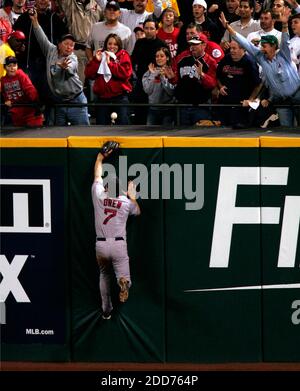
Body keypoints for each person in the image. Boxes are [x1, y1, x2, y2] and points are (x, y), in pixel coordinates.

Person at [220, 8, 300, 126]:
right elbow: (243, 42)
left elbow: (285, 40)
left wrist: (284, 24)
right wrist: (228, 27)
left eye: (265, 46)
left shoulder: (284, 55)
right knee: (285, 131)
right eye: (262, 46)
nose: (262, 49)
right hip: (280, 101)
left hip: (298, 96)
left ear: (273, 46)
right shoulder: (261, 58)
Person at [92, 143, 141, 320]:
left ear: (106, 188)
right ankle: (124, 282)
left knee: (104, 275)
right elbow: (138, 211)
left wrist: (100, 157)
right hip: (119, 244)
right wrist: (132, 196)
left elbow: (97, 175)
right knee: (124, 276)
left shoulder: (99, 195)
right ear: (119, 190)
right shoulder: (125, 202)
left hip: (101, 244)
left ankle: (106, 309)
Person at [29, 10, 90, 125]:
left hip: (76, 101)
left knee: (83, 134)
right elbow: (41, 38)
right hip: (59, 102)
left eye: (72, 45)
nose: (69, 47)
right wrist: (35, 21)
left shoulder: (72, 58)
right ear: (59, 44)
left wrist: (65, 67)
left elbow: (71, 68)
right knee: (59, 135)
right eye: (66, 43)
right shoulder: (51, 51)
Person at [85, 33, 132, 125]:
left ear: (119, 45)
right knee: (102, 127)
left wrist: (110, 64)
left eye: (115, 44)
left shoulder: (123, 55)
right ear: (106, 44)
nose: (112, 46)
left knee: (122, 125)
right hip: (102, 99)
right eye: (110, 44)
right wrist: (96, 61)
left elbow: (126, 74)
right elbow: (89, 74)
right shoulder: (100, 55)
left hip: (120, 98)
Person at [1, 55, 44, 126]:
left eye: (14, 65)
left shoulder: (21, 75)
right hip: (16, 115)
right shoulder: (3, 80)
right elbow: (3, 94)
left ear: (17, 66)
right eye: (9, 66)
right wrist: (5, 101)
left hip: (31, 113)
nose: (12, 68)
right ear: (5, 68)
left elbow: (30, 89)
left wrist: (36, 104)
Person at [142, 46, 175, 125]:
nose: (159, 58)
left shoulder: (172, 71)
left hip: (168, 110)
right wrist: (153, 75)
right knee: (150, 136)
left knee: (167, 135)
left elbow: (171, 92)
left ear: (167, 58)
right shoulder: (149, 72)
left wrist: (163, 77)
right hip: (153, 110)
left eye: (162, 56)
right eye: (157, 56)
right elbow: (147, 90)